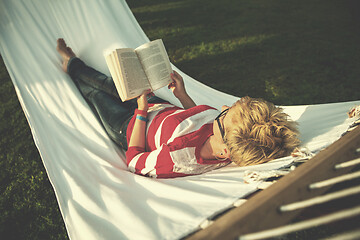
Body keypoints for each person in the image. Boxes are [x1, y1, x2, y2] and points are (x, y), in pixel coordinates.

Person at [56, 38, 300, 178]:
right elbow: (197, 119)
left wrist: (140, 113)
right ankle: (76, 64)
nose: (223, 106)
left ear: (225, 152)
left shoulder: (179, 158)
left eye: (225, 113)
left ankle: (71, 67)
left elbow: (135, 160)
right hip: (155, 106)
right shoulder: (225, 137)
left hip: (128, 125)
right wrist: (182, 96)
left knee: (96, 94)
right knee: (110, 83)